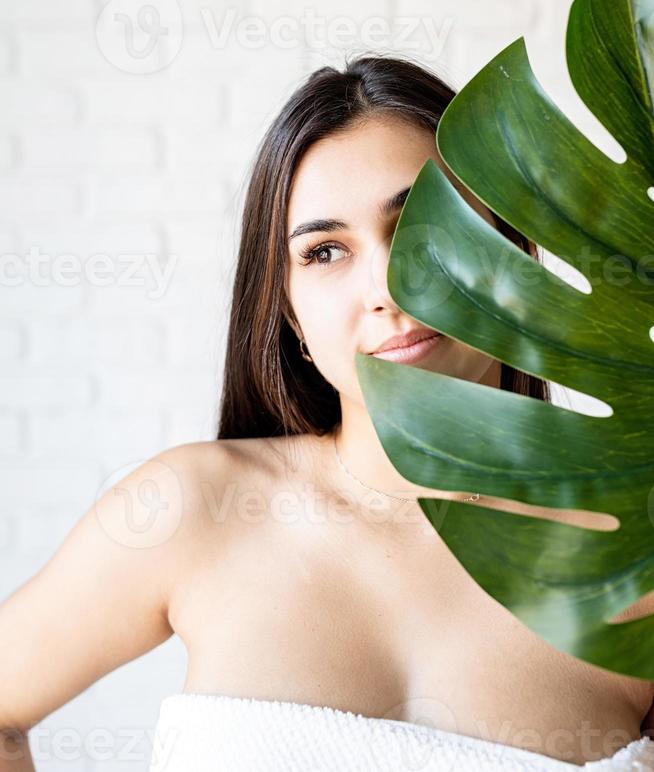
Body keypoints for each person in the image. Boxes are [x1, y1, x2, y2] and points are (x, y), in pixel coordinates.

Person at [1, 54, 653, 772]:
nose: (386, 286)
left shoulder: (633, 557)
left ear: (509, 246)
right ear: (289, 313)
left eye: (421, 224)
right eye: (325, 251)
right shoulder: (192, 510)